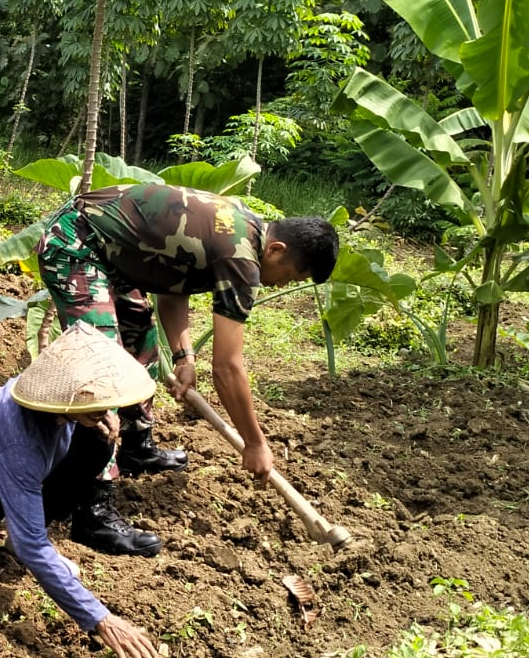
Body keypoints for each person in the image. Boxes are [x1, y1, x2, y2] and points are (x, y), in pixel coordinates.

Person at [38, 183, 338, 483]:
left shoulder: (247, 225)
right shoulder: (241, 259)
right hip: (77, 242)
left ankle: (136, 448)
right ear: (276, 249)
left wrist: (184, 357)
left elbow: (172, 282)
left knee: (140, 343)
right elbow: (227, 367)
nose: (282, 285)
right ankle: (92, 500)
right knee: (103, 369)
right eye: (289, 275)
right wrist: (255, 442)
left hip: (110, 252)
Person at [0, 323, 166, 658]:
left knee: (99, 444)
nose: (107, 412)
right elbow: (33, 545)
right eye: (98, 406)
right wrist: (100, 619)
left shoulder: (58, 398)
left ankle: (13, 531)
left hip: (23, 464)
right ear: (68, 396)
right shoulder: (19, 436)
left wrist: (97, 417)